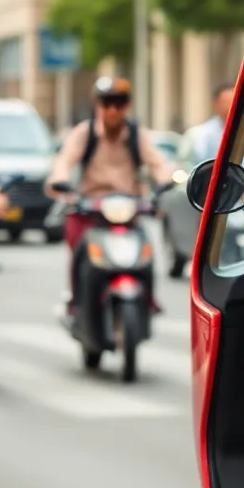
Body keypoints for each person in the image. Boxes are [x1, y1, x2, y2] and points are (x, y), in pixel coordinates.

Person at [46, 77, 174, 316]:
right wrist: (59, 181)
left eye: (120, 103)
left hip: (127, 209)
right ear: (97, 105)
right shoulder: (84, 133)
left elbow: (158, 163)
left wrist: (165, 180)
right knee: (78, 252)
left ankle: (148, 299)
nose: (113, 109)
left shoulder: (137, 134)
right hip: (89, 208)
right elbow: (64, 161)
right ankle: (76, 299)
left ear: (128, 106)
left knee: (145, 250)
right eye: (107, 103)